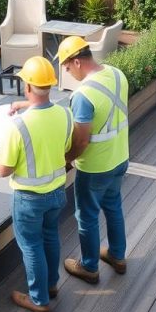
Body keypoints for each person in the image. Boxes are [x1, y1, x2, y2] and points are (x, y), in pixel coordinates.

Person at [0, 56, 73, 312]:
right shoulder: (65, 113)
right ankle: (51, 285)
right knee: (50, 236)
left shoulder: (17, 126)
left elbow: (2, 170)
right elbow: (62, 148)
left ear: (27, 86)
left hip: (28, 199)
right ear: (50, 85)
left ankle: (39, 300)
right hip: (57, 192)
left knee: (31, 245)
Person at [57, 36, 129, 285]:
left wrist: (66, 160)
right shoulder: (117, 74)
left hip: (95, 167)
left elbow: (81, 141)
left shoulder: (83, 95)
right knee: (113, 206)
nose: (67, 72)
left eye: (67, 67)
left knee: (86, 216)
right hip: (120, 157)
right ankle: (117, 256)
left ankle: (89, 267)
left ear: (77, 61)